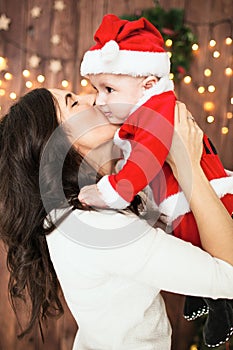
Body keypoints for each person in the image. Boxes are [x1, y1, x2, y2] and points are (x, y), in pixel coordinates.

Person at [0, 87, 233, 349]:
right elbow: (229, 277)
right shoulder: (96, 229)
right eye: (74, 103)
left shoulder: (96, 199)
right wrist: (187, 162)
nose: (94, 96)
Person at [78, 14, 233, 248]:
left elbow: (147, 156)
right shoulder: (147, 110)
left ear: (148, 85)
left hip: (203, 207)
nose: (99, 101)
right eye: (96, 89)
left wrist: (112, 192)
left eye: (109, 89)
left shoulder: (155, 111)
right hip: (190, 205)